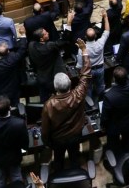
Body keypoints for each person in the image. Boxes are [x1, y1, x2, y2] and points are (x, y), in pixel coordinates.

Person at [41, 38, 91, 171]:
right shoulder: (78, 94)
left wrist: (48, 144)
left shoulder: (49, 105)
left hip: (58, 140)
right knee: (75, 158)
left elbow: (45, 131)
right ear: (70, 83)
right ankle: (76, 176)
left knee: (58, 160)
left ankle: (59, 178)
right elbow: (85, 75)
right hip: (76, 135)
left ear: (55, 87)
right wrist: (84, 50)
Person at [0, 26, 28, 106]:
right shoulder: (13, 58)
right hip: (13, 90)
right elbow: (22, 49)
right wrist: (23, 35)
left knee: (1, 111)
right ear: (8, 51)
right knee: (15, 109)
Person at [77, 10, 109, 101]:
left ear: (85, 37)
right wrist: (105, 17)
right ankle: (101, 102)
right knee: (100, 86)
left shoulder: (82, 49)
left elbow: (79, 65)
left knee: (88, 88)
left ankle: (91, 107)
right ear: (95, 36)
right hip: (100, 69)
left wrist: (80, 75)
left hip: (88, 72)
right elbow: (107, 31)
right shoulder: (100, 43)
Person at [28, 27, 67, 102]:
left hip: (41, 78)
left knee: (44, 100)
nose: (48, 33)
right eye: (45, 33)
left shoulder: (31, 45)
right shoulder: (49, 46)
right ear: (41, 39)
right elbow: (63, 41)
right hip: (52, 79)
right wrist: (68, 24)